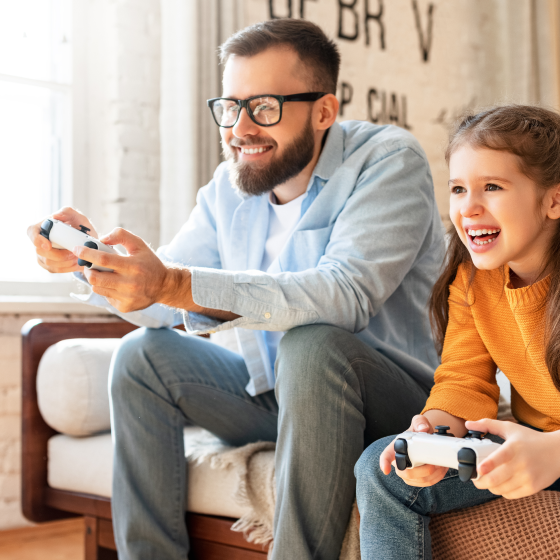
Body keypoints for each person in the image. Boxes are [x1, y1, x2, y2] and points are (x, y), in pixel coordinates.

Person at [28, 19, 444, 560]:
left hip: (391, 401)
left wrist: (174, 283)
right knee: (141, 356)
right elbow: (162, 292)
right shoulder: (231, 186)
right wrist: (93, 265)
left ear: (323, 111)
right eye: (230, 106)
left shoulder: (388, 160)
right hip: (277, 394)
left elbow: (346, 295)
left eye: (264, 107)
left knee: (312, 341)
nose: (239, 128)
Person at [355, 104, 560, 560]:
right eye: (458, 189)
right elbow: (463, 379)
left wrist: (554, 452)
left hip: (550, 450)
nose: (469, 208)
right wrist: (433, 435)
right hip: (528, 443)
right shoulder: (472, 281)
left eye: (492, 187)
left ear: (553, 200)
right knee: (380, 466)